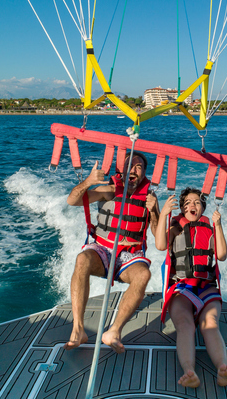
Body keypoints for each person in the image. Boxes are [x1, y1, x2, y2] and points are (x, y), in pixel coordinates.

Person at [65, 152, 159, 354]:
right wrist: (89, 181)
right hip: (102, 249)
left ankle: (114, 332)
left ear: (144, 174)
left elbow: (160, 238)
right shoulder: (108, 190)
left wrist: (155, 211)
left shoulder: (149, 198)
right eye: (130, 165)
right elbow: (72, 200)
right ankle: (78, 329)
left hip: (130, 255)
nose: (133, 169)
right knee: (82, 259)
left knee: (144, 274)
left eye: (139, 166)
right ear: (121, 170)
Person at [156, 187, 227, 388]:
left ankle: (222, 368)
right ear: (182, 209)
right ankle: (189, 371)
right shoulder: (175, 227)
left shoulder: (208, 229)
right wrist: (164, 214)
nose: (193, 205)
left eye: (197, 202)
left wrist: (218, 225)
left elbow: (221, 255)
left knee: (210, 323)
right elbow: (159, 245)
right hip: (182, 288)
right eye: (188, 203)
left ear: (203, 208)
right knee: (185, 325)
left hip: (206, 287)